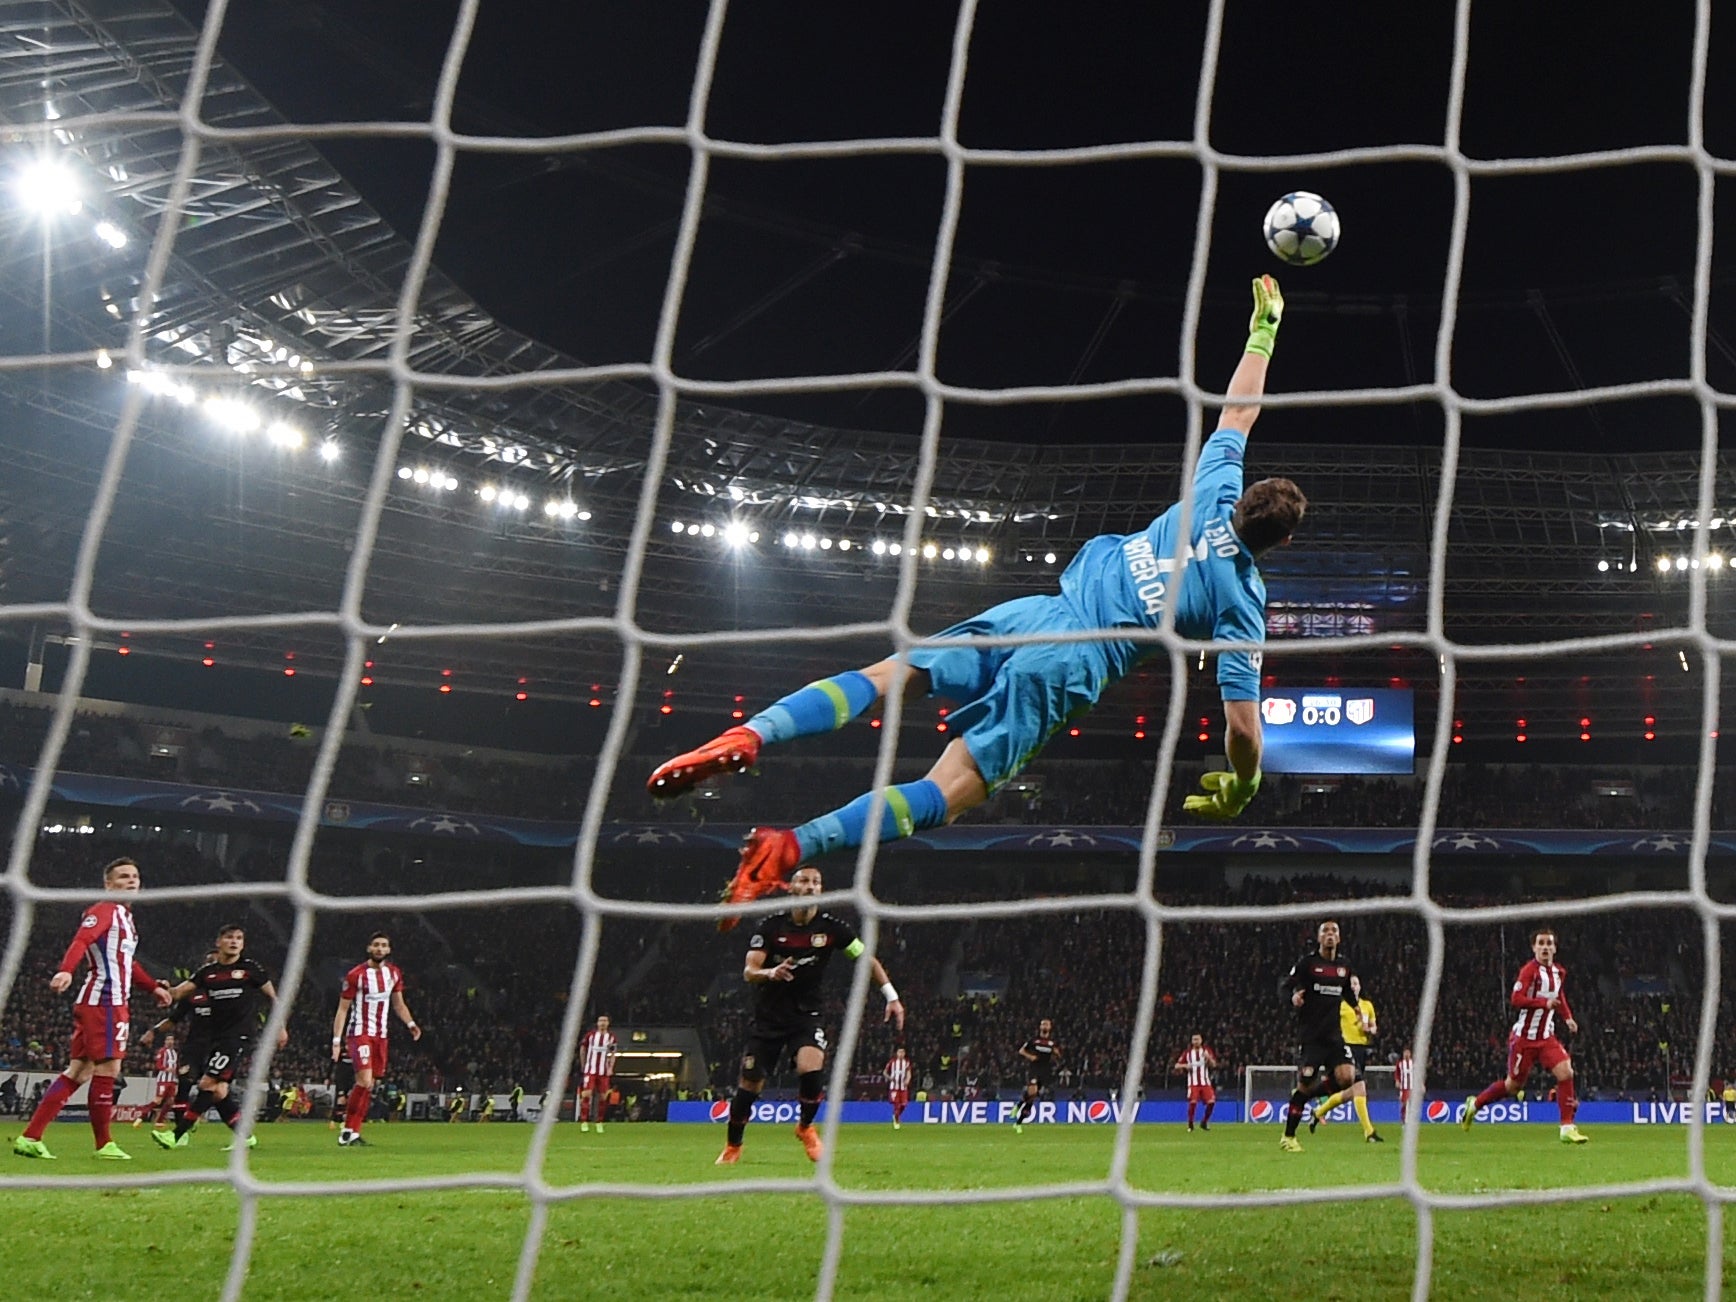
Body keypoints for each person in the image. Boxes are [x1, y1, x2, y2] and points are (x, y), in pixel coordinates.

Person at [647, 277, 1303, 926]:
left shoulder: (1214, 489)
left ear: (1244, 499)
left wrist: (1263, 332)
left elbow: (1238, 412)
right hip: (1071, 663)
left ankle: (752, 732)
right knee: (947, 795)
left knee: (886, 676)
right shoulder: (1242, 597)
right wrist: (1243, 784)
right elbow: (1242, 727)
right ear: (1282, 541)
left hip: (1031, 613)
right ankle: (790, 846)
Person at [715, 865, 905, 1166]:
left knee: (811, 1068)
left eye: (816, 881)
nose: (811, 886)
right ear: (791, 888)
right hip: (768, 1019)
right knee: (750, 1084)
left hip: (806, 1015)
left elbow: (865, 958)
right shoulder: (771, 926)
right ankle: (733, 1146)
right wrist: (770, 972)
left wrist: (891, 996)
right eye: (804, 880)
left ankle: (805, 1127)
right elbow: (749, 971)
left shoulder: (832, 928)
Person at [13, 856, 172, 1160]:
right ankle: (104, 1144)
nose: (131, 881)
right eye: (123, 877)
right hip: (105, 1001)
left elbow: (129, 964)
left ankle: (31, 1137)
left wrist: (153, 987)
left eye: (135, 876)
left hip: (101, 1001)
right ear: (108, 884)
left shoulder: (126, 918)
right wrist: (66, 970)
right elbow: (82, 939)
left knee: (78, 1071)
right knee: (108, 1069)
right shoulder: (104, 910)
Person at [152, 924, 288, 1153]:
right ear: (219, 942)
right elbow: (179, 992)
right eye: (229, 937)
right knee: (218, 1091)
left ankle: (176, 1135)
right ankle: (245, 1137)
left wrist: (281, 1028)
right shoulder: (207, 973)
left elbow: (273, 998)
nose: (234, 942)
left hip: (239, 1037)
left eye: (239, 938)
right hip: (216, 1037)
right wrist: (165, 988)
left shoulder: (250, 969)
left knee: (207, 1083)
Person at [1462, 928, 1588, 1144]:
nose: (1545, 947)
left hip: (1546, 1037)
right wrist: (1543, 1003)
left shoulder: (1559, 972)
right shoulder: (1529, 971)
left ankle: (1566, 1127)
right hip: (1524, 1039)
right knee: (1513, 1087)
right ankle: (1474, 1105)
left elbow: (1559, 995)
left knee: (1566, 1072)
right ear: (1534, 948)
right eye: (1541, 943)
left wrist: (1567, 1017)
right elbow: (1516, 999)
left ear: (1555, 948)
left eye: (1549, 943)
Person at [1277, 920, 1369, 1153]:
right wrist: (1293, 997)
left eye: (1334, 931)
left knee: (1347, 1077)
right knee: (1306, 1083)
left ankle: (1305, 1096)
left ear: (1339, 938)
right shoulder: (1308, 964)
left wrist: (1358, 1010)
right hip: (1311, 1037)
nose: (1329, 935)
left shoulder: (1344, 966)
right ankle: (1288, 1137)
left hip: (1334, 1037)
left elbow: (1348, 993)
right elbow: (1285, 986)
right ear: (1319, 938)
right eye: (1325, 931)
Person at [331, 931, 422, 1148]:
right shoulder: (356, 975)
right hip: (359, 1033)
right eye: (376, 945)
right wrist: (336, 1041)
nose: (380, 949)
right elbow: (342, 1009)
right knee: (363, 1080)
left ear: (388, 950)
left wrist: (411, 1024)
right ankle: (346, 1130)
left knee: (369, 1084)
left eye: (384, 945)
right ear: (369, 948)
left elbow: (399, 1004)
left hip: (381, 1036)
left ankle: (353, 1132)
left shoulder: (394, 973)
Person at [1309, 973, 1384, 1143]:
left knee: (1350, 1092)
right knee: (1360, 1087)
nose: (1354, 986)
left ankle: (1318, 1111)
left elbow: (1374, 1027)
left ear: (1360, 987)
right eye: (1350, 984)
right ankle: (1369, 1132)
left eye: (1356, 983)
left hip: (1361, 1049)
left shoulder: (1367, 1006)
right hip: (1345, 1049)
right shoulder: (1341, 1005)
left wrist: (1370, 1030)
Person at [1011, 1020, 1059, 1132]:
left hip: (1045, 1071)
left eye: (1047, 1024)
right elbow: (1021, 1051)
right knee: (1032, 1092)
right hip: (1034, 1069)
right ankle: (1017, 1107)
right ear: (1040, 1027)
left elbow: (1057, 1053)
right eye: (1043, 1024)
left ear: (1050, 1027)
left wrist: (1056, 1054)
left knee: (1031, 1098)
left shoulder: (1052, 1042)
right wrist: (1030, 1057)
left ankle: (1018, 1123)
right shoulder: (1034, 1040)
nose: (1045, 1026)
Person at [577, 1015, 618, 1134]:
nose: (602, 1023)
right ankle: (584, 1121)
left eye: (605, 1021)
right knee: (586, 1094)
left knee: (603, 1097)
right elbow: (582, 1049)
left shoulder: (611, 1038)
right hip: (591, 1070)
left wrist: (610, 1067)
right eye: (600, 1021)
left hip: (603, 1071)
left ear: (608, 1023)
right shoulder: (590, 1036)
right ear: (597, 1023)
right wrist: (583, 1065)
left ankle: (599, 1122)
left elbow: (612, 1054)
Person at [133, 1031, 179, 1131]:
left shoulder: (174, 1053)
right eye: (168, 1039)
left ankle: (159, 1121)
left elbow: (175, 1066)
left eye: (172, 1039)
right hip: (163, 1080)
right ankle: (140, 1118)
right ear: (165, 1041)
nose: (170, 1041)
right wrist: (166, 1069)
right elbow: (158, 1065)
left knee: (170, 1101)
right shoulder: (162, 1051)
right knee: (158, 1100)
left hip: (172, 1080)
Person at [1172, 1033, 1218, 1132]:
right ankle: (1190, 1124)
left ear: (1201, 1040)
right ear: (1191, 1041)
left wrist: (1208, 1058)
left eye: (1197, 1039)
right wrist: (1185, 1066)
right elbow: (1176, 1065)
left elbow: (1214, 1065)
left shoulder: (1206, 1051)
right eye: (1194, 1039)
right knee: (1193, 1103)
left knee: (1212, 1102)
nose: (1196, 1041)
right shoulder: (1187, 1053)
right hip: (1193, 1083)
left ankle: (1204, 1122)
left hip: (1205, 1082)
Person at [885, 1046, 913, 1130]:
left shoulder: (906, 1062)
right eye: (899, 1052)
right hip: (894, 1087)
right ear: (897, 1053)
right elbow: (884, 1072)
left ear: (904, 1054)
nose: (901, 1054)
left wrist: (907, 1080)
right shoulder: (892, 1062)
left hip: (903, 1087)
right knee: (896, 1104)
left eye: (902, 1052)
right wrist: (890, 1078)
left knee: (904, 1104)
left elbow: (909, 1073)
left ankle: (896, 1115)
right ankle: (896, 1121)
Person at [1395, 1046, 1416, 1119]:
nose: (1406, 1054)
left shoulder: (1413, 1063)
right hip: (1403, 1087)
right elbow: (1397, 1073)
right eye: (1405, 1053)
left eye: (1408, 1053)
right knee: (1403, 1103)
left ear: (1410, 1054)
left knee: (1412, 1103)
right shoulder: (1400, 1063)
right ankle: (1403, 1118)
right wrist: (1397, 1080)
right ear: (1403, 1054)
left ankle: (1411, 1118)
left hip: (1412, 1087)